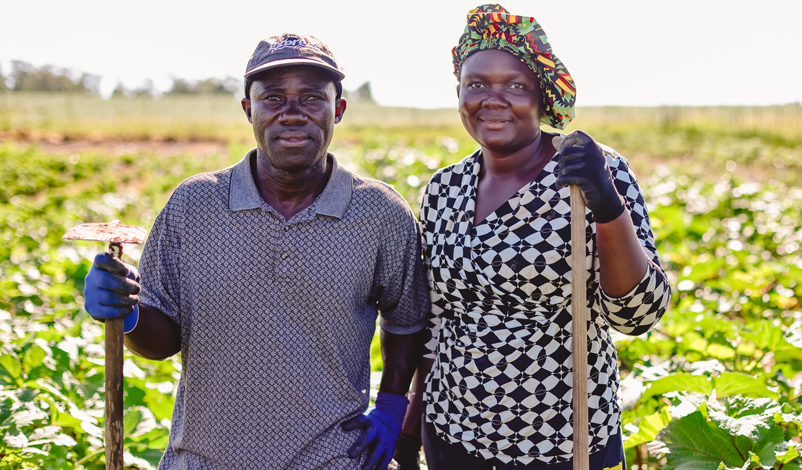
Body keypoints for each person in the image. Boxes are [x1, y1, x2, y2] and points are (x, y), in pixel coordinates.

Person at [82, 33, 429, 470]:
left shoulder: (380, 213)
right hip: (204, 460)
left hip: (333, 460)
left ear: (337, 110)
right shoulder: (194, 205)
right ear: (249, 110)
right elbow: (162, 340)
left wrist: (393, 405)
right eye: (273, 98)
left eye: (311, 98)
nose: (292, 114)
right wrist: (127, 312)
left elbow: (407, 319)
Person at [392, 5, 671, 470]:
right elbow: (435, 322)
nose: (493, 98)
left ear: (543, 97)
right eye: (476, 83)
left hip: (560, 442)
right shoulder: (444, 188)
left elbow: (638, 314)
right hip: (450, 433)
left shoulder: (590, 171)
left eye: (515, 86)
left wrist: (608, 206)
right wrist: (407, 429)